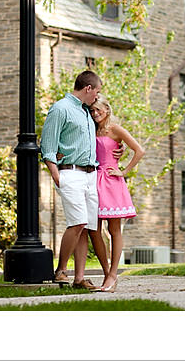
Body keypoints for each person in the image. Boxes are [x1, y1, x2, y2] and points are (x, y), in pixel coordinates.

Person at [40, 70, 111, 290]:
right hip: (70, 173)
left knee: (87, 227)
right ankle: (61, 270)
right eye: (96, 92)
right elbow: (48, 146)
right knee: (77, 222)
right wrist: (57, 176)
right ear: (87, 88)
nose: (97, 97)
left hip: (90, 175)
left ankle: (79, 279)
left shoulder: (86, 112)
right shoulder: (61, 109)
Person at [89, 95, 145, 293]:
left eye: (99, 110)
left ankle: (113, 274)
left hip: (111, 181)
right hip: (93, 179)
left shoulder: (116, 129)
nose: (95, 114)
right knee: (93, 229)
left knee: (114, 230)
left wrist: (124, 170)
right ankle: (106, 273)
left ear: (107, 109)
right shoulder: (91, 128)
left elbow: (139, 150)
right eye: (93, 110)